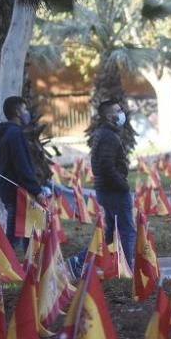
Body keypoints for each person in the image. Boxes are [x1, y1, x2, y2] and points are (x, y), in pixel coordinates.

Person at [68, 99, 135, 278]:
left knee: (109, 235)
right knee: (127, 231)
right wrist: (122, 184)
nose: (122, 113)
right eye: (118, 110)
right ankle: (127, 270)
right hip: (114, 191)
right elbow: (106, 166)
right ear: (108, 115)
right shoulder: (108, 137)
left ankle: (78, 261)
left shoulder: (104, 134)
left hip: (106, 190)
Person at [0, 96, 45, 248]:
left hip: (10, 192)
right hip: (20, 194)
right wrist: (37, 191)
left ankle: (29, 267)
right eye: (24, 109)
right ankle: (0, 267)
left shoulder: (4, 134)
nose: (27, 113)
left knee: (27, 235)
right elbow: (22, 166)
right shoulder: (15, 135)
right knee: (13, 239)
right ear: (17, 112)